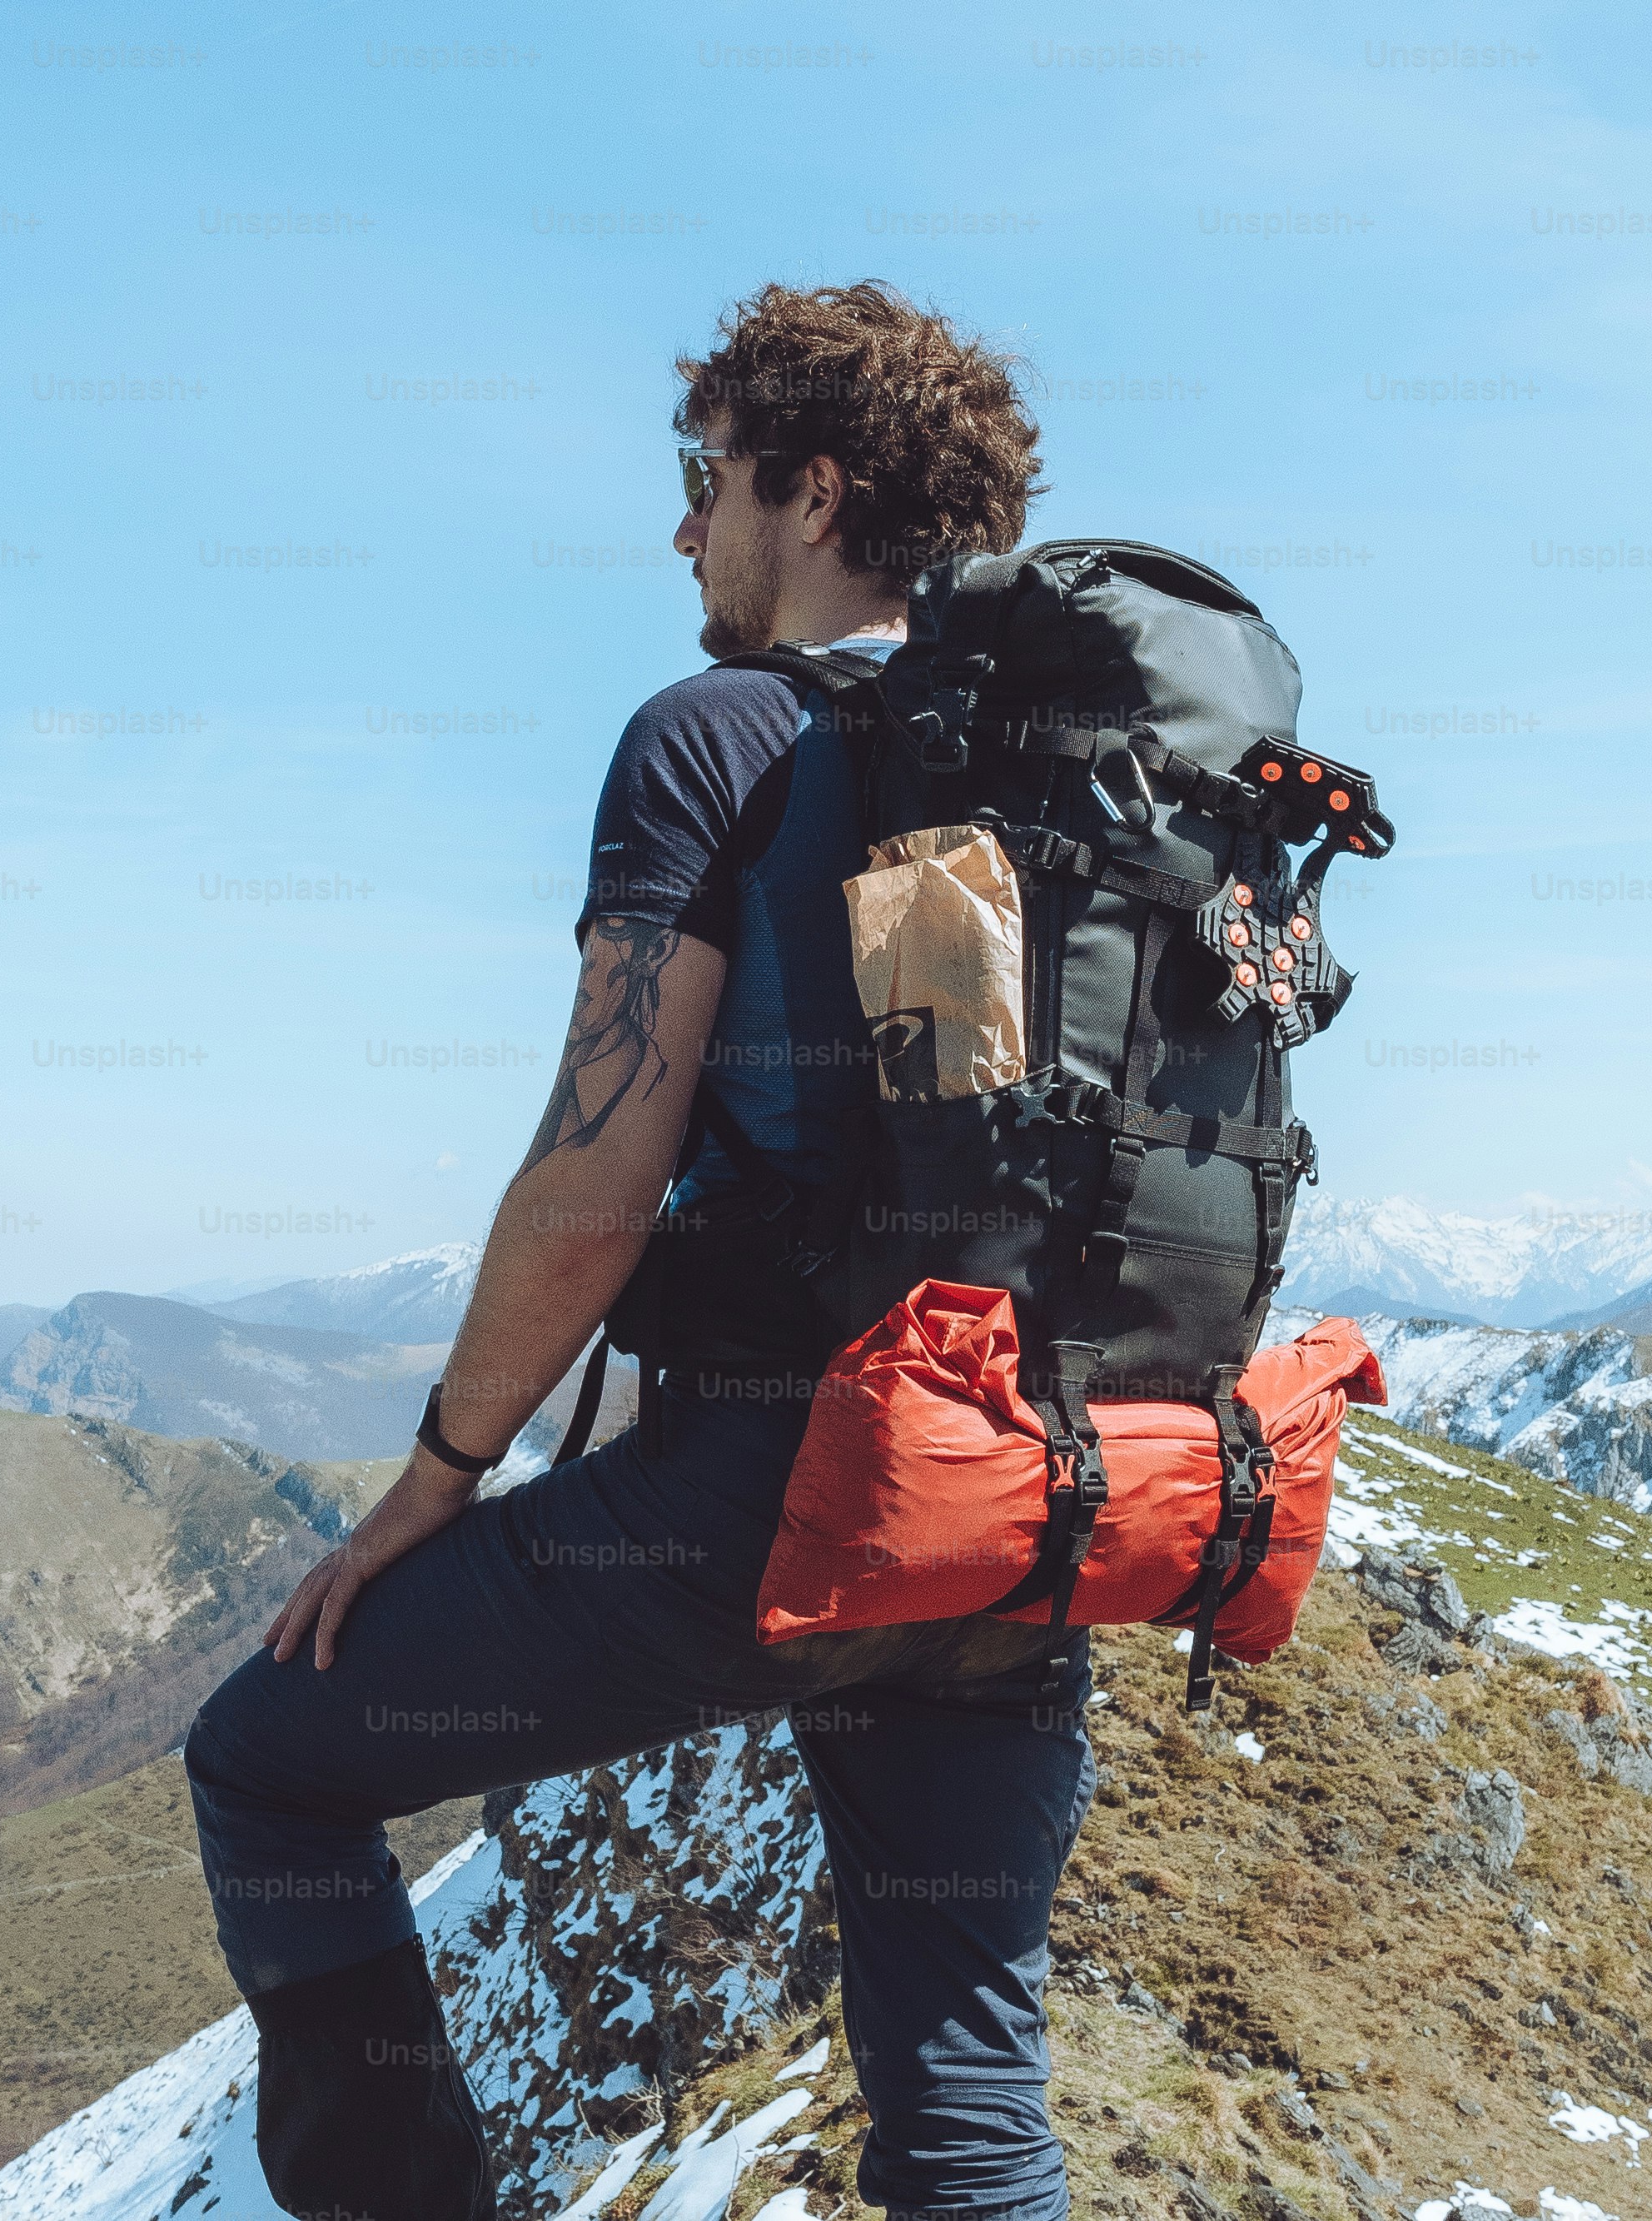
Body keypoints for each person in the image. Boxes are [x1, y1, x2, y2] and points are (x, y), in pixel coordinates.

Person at [182, 282, 1087, 2221]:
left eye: (707, 476)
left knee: (264, 1758)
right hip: (1039, 1494)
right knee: (967, 2105)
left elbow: (593, 1183)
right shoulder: (1062, 762)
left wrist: (436, 1477)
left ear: (812, 488)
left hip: (784, 1490)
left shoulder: (717, 735)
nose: (682, 528)